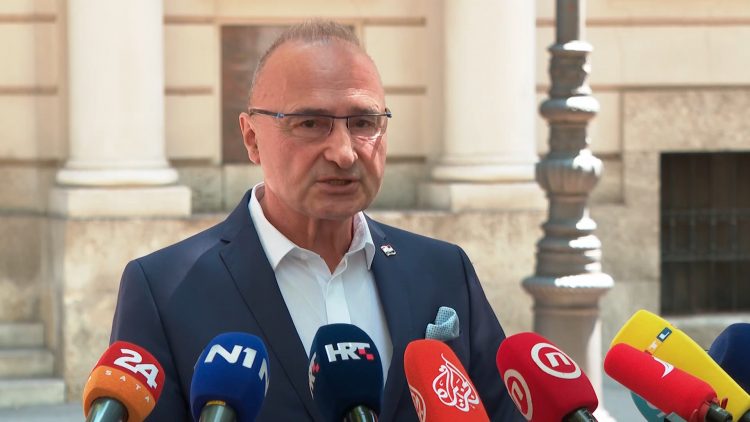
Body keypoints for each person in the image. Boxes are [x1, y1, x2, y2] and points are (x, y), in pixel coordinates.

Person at [110, 20, 522, 421]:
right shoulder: (164, 290)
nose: (344, 153)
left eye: (363, 123)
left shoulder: (444, 271)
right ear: (251, 138)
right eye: (310, 123)